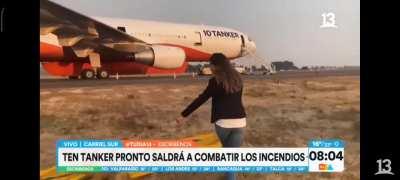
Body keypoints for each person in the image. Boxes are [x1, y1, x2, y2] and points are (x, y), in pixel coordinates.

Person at [177, 53, 246, 180]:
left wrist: (183, 115)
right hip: (240, 122)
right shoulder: (238, 78)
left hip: (223, 123)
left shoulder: (215, 81)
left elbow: (201, 99)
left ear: (216, 66)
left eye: (211, 64)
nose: (210, 67)